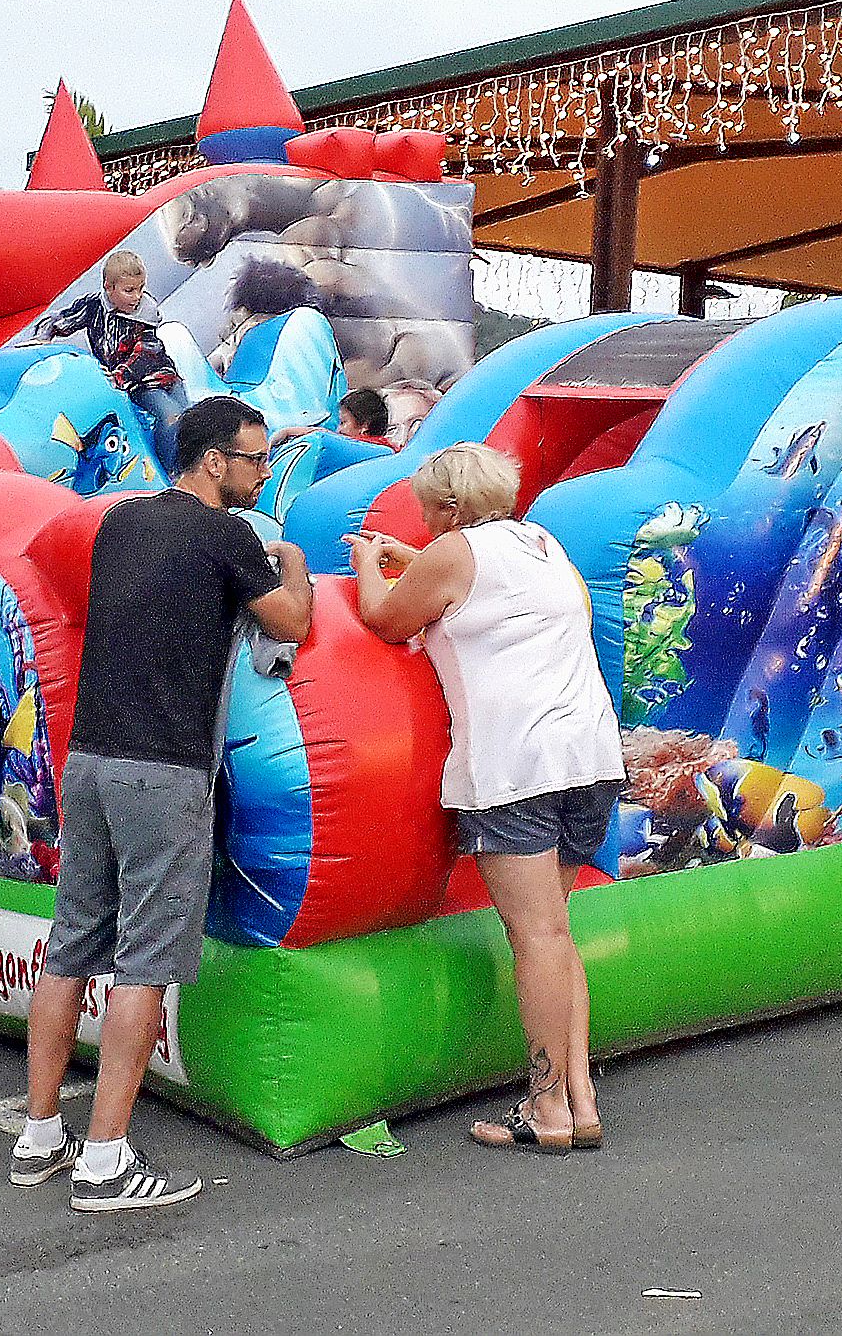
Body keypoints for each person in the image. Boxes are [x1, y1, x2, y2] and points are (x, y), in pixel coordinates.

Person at [13, 395, 311, 1211]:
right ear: (214, 460)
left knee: (71, 947)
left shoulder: (121, 522)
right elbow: (290, 622)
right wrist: (293, 559)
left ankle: (39, 1133)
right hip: (163, 770)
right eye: (253, 459)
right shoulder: (227, 535)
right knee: (144, 963)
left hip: (90, 759)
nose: (258, 472)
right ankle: (105, 1158)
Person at [349, 442, 619, 1153]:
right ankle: (578, 1098)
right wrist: (415, 556)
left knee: (534, 941)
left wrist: (367, 568)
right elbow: (490, 589)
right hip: (587, 755)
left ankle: (546, 1106)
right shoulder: (539, 543)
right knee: (555, 934)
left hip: (514, 765)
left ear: (445, 507)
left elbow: (384, 620)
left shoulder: (451, 552)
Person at [32, 250, 189, 470]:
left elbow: (145, 352)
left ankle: (179, 464)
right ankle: (169, 471)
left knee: (188, 421)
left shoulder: (145, 314)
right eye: (129, 290)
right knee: (171, 416)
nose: (137, 297)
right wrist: (42, 337)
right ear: (108, 286)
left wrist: (119, 375)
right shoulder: (94, 306)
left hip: (157, 374)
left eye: (141, 289)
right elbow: (60, 320)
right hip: (139, 384)